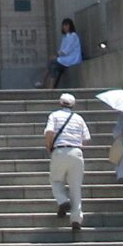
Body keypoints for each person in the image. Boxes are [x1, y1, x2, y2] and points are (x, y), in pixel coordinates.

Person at [43, 93, 89, 230]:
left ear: (60, 103)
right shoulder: (79, 118)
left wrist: (48, 146)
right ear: (73, 105)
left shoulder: (54, 115)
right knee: (76, 187)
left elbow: (49, 132)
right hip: (76, 152)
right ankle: (76, 219)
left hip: (59, 150)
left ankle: (63, 201)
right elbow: (86, 138)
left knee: (56, 180)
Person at [46, 19, 82, 90]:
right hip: (65, 58)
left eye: (66, 25)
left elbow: (67, 50)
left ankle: (44, 82)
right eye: (64, 25)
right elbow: (62, 50)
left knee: (52, 61)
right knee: (53, 66)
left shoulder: (73, 36)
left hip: (73, 58)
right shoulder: (65, 37)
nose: (64, 27)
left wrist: (56, 56)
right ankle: (51, 87)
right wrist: (57, 55)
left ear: (70, 26)